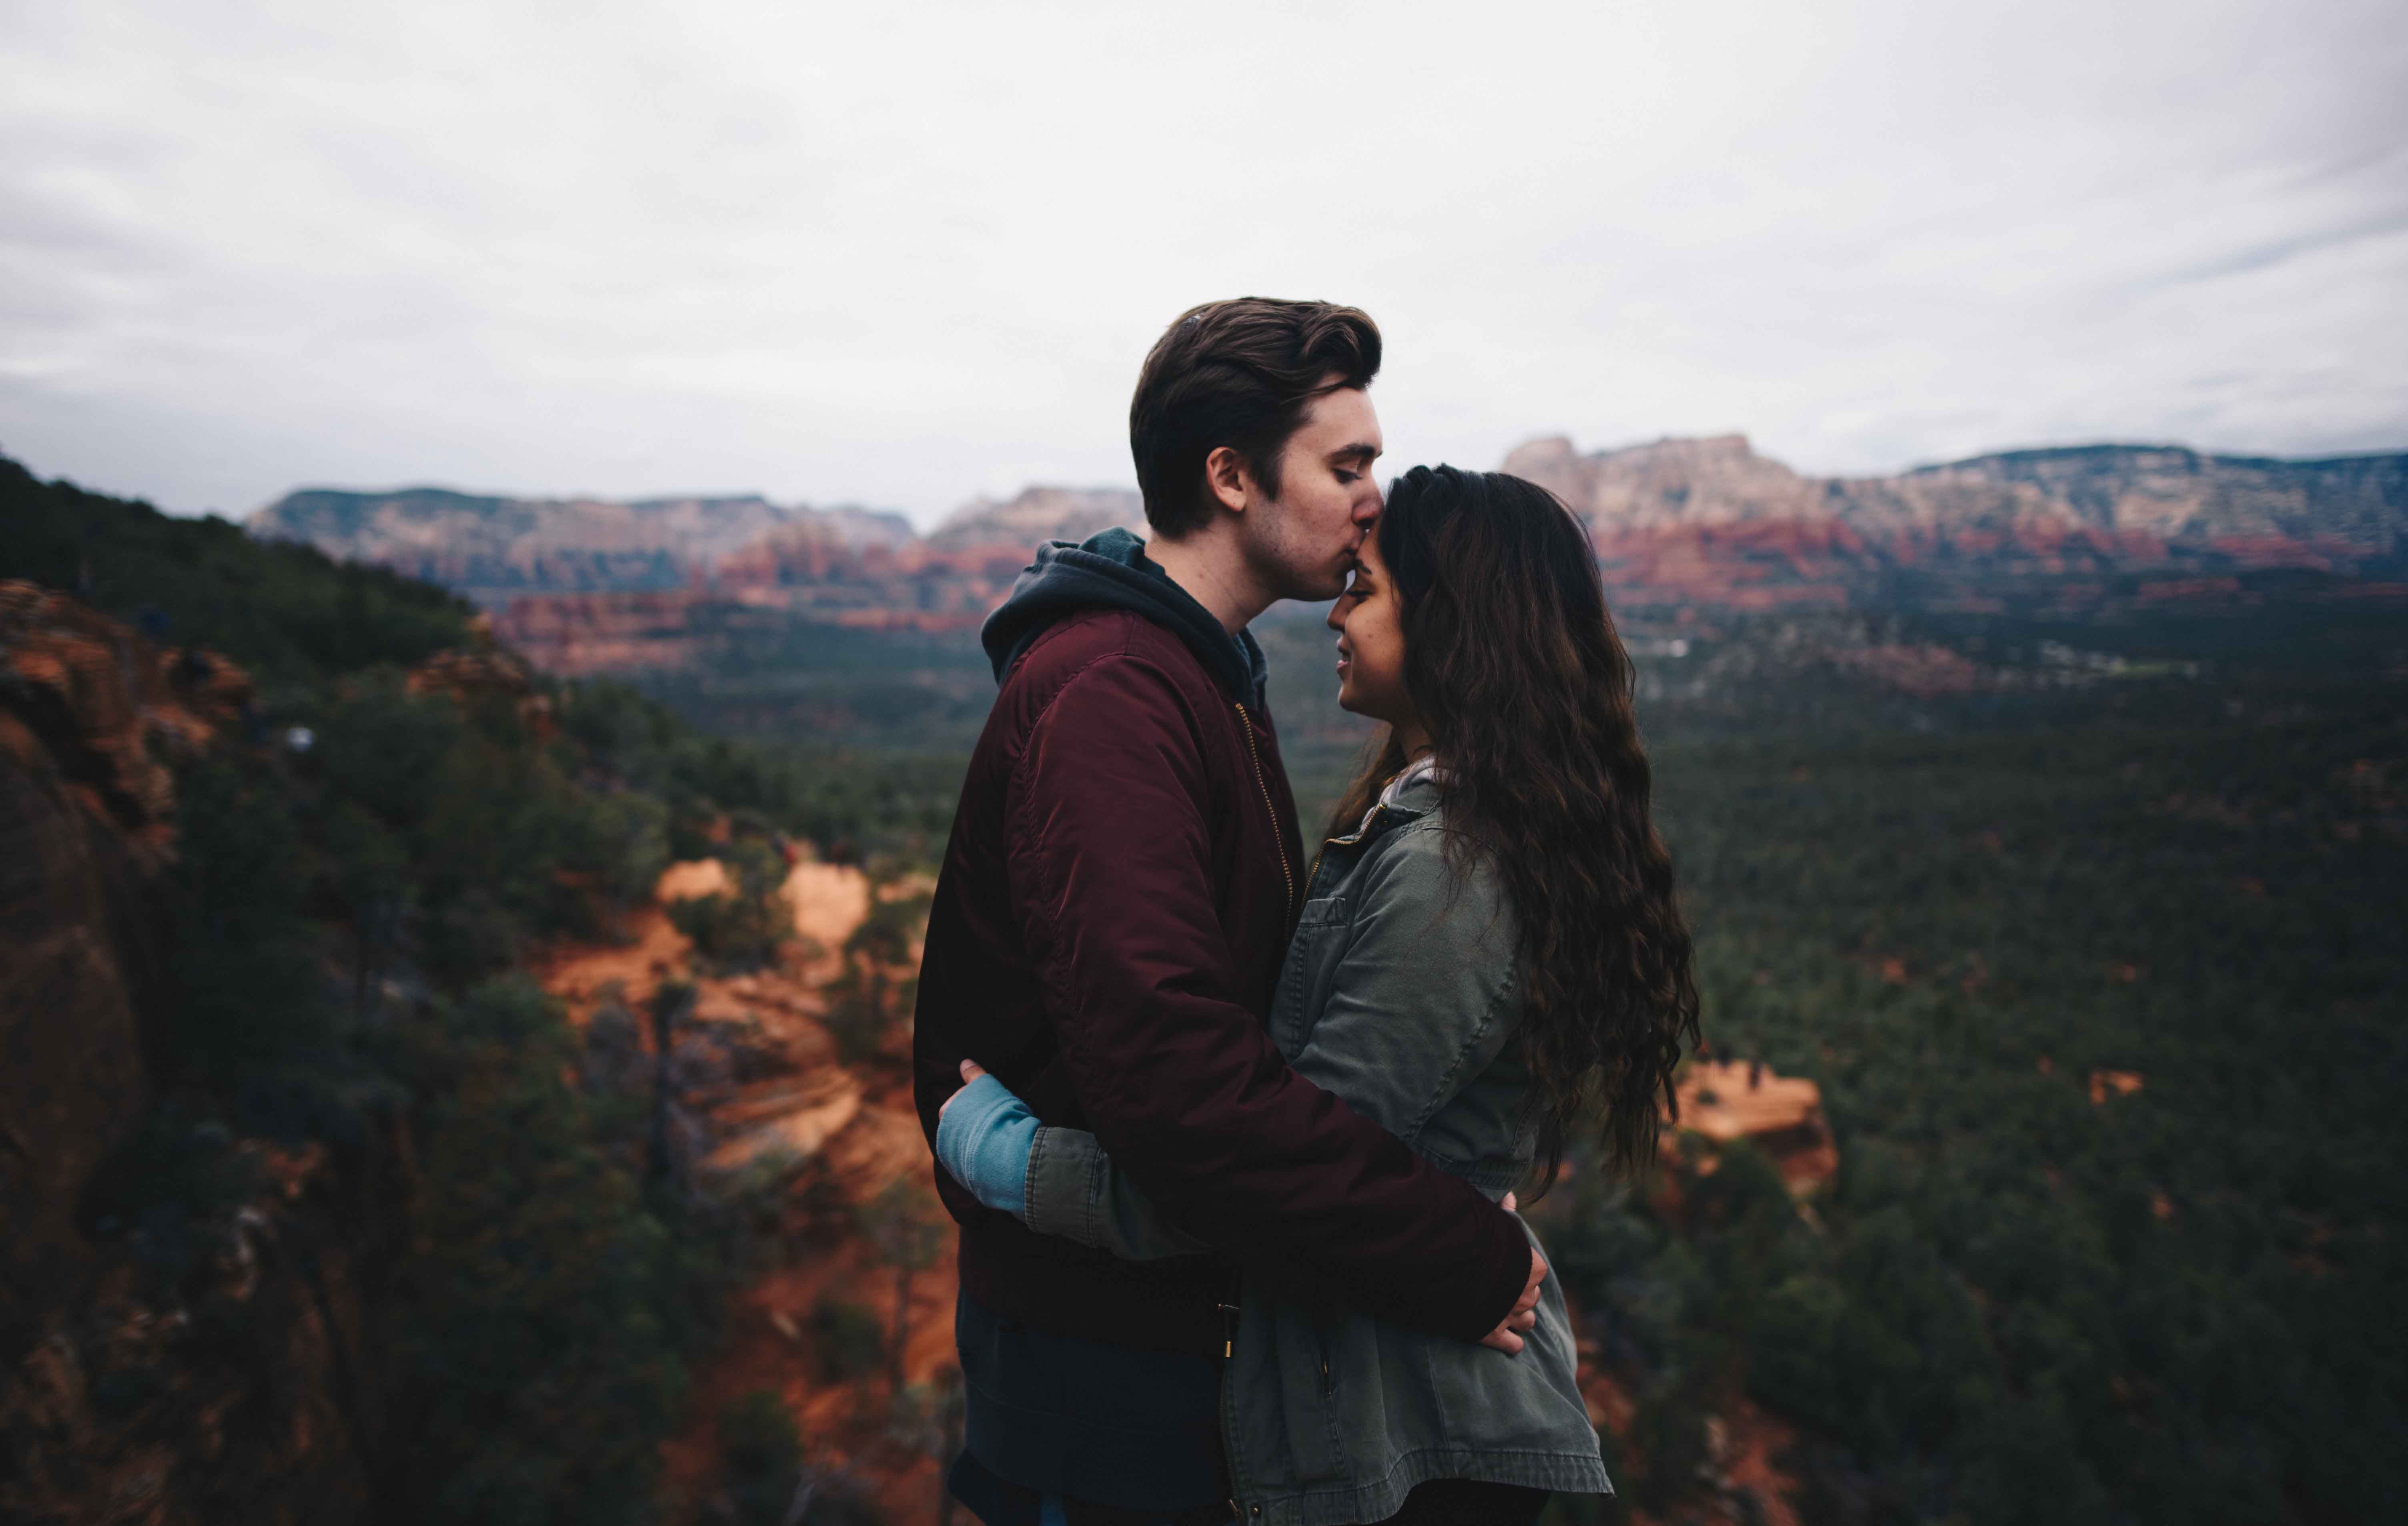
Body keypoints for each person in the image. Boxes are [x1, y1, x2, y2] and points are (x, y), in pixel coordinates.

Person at [939, 465, 1700, 1524]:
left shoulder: (1452, 866)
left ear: (1453, 626)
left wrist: (1014, 1163)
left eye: (1367, 588)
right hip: (1403, 1404)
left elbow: (1278, 1176)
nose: (1335, 612)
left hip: (1422, 1438)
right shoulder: (1439, 824)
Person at [912, 302, 1549, 1526]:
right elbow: (1183, 1086)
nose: (1377, 497)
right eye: (1346, 464)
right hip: (1101, 1386)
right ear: (1230, 477)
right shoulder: (1114, 691)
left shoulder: (1200, 672)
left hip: (1170, 1354)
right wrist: (1461, 1249)